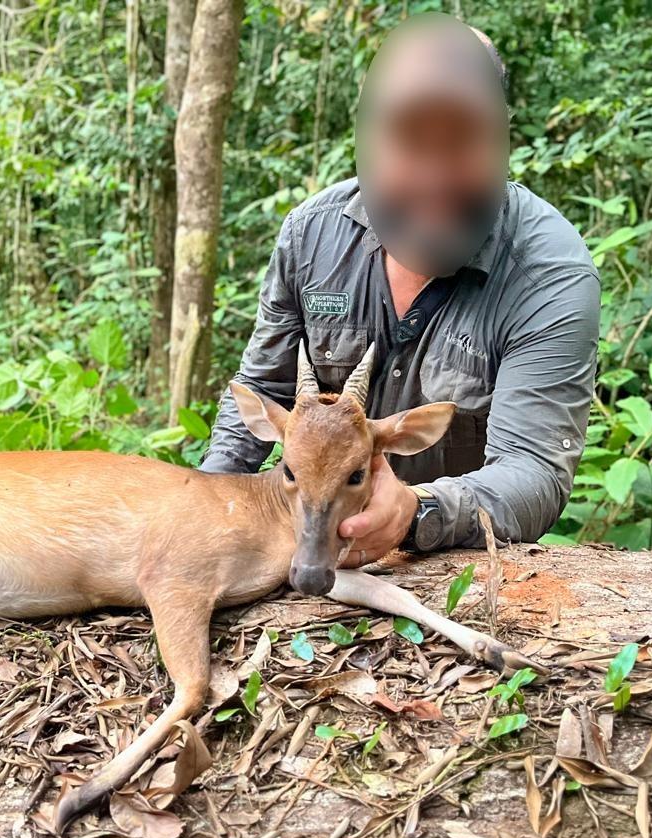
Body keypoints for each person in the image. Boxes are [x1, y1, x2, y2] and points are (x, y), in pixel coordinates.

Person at [200, 13, 600, 567]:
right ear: (365, 140)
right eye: (408, 144)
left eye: (465, 143)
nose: (435, 180)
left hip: (441, 568)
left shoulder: (547, 275)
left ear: (504, 141)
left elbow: (533, 470)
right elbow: (258, 393)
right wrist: (200, 503)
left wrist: (417, 512)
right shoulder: (312, 238)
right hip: (300, 538)